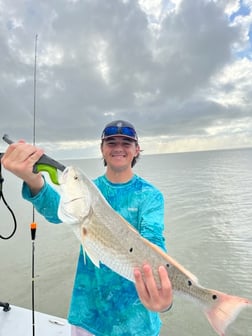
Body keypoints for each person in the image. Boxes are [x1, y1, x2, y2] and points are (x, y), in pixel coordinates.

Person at [1, 120, 173, 336]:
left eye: (126, 143)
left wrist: (162, 293)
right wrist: (33, 180)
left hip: (136, 322)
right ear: (102, 149)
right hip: (88, 315)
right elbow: (58, 211)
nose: (118, 147)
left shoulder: (150, 195)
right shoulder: (89, 189)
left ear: (136, 149)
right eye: (111, 142)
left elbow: (153, 240)